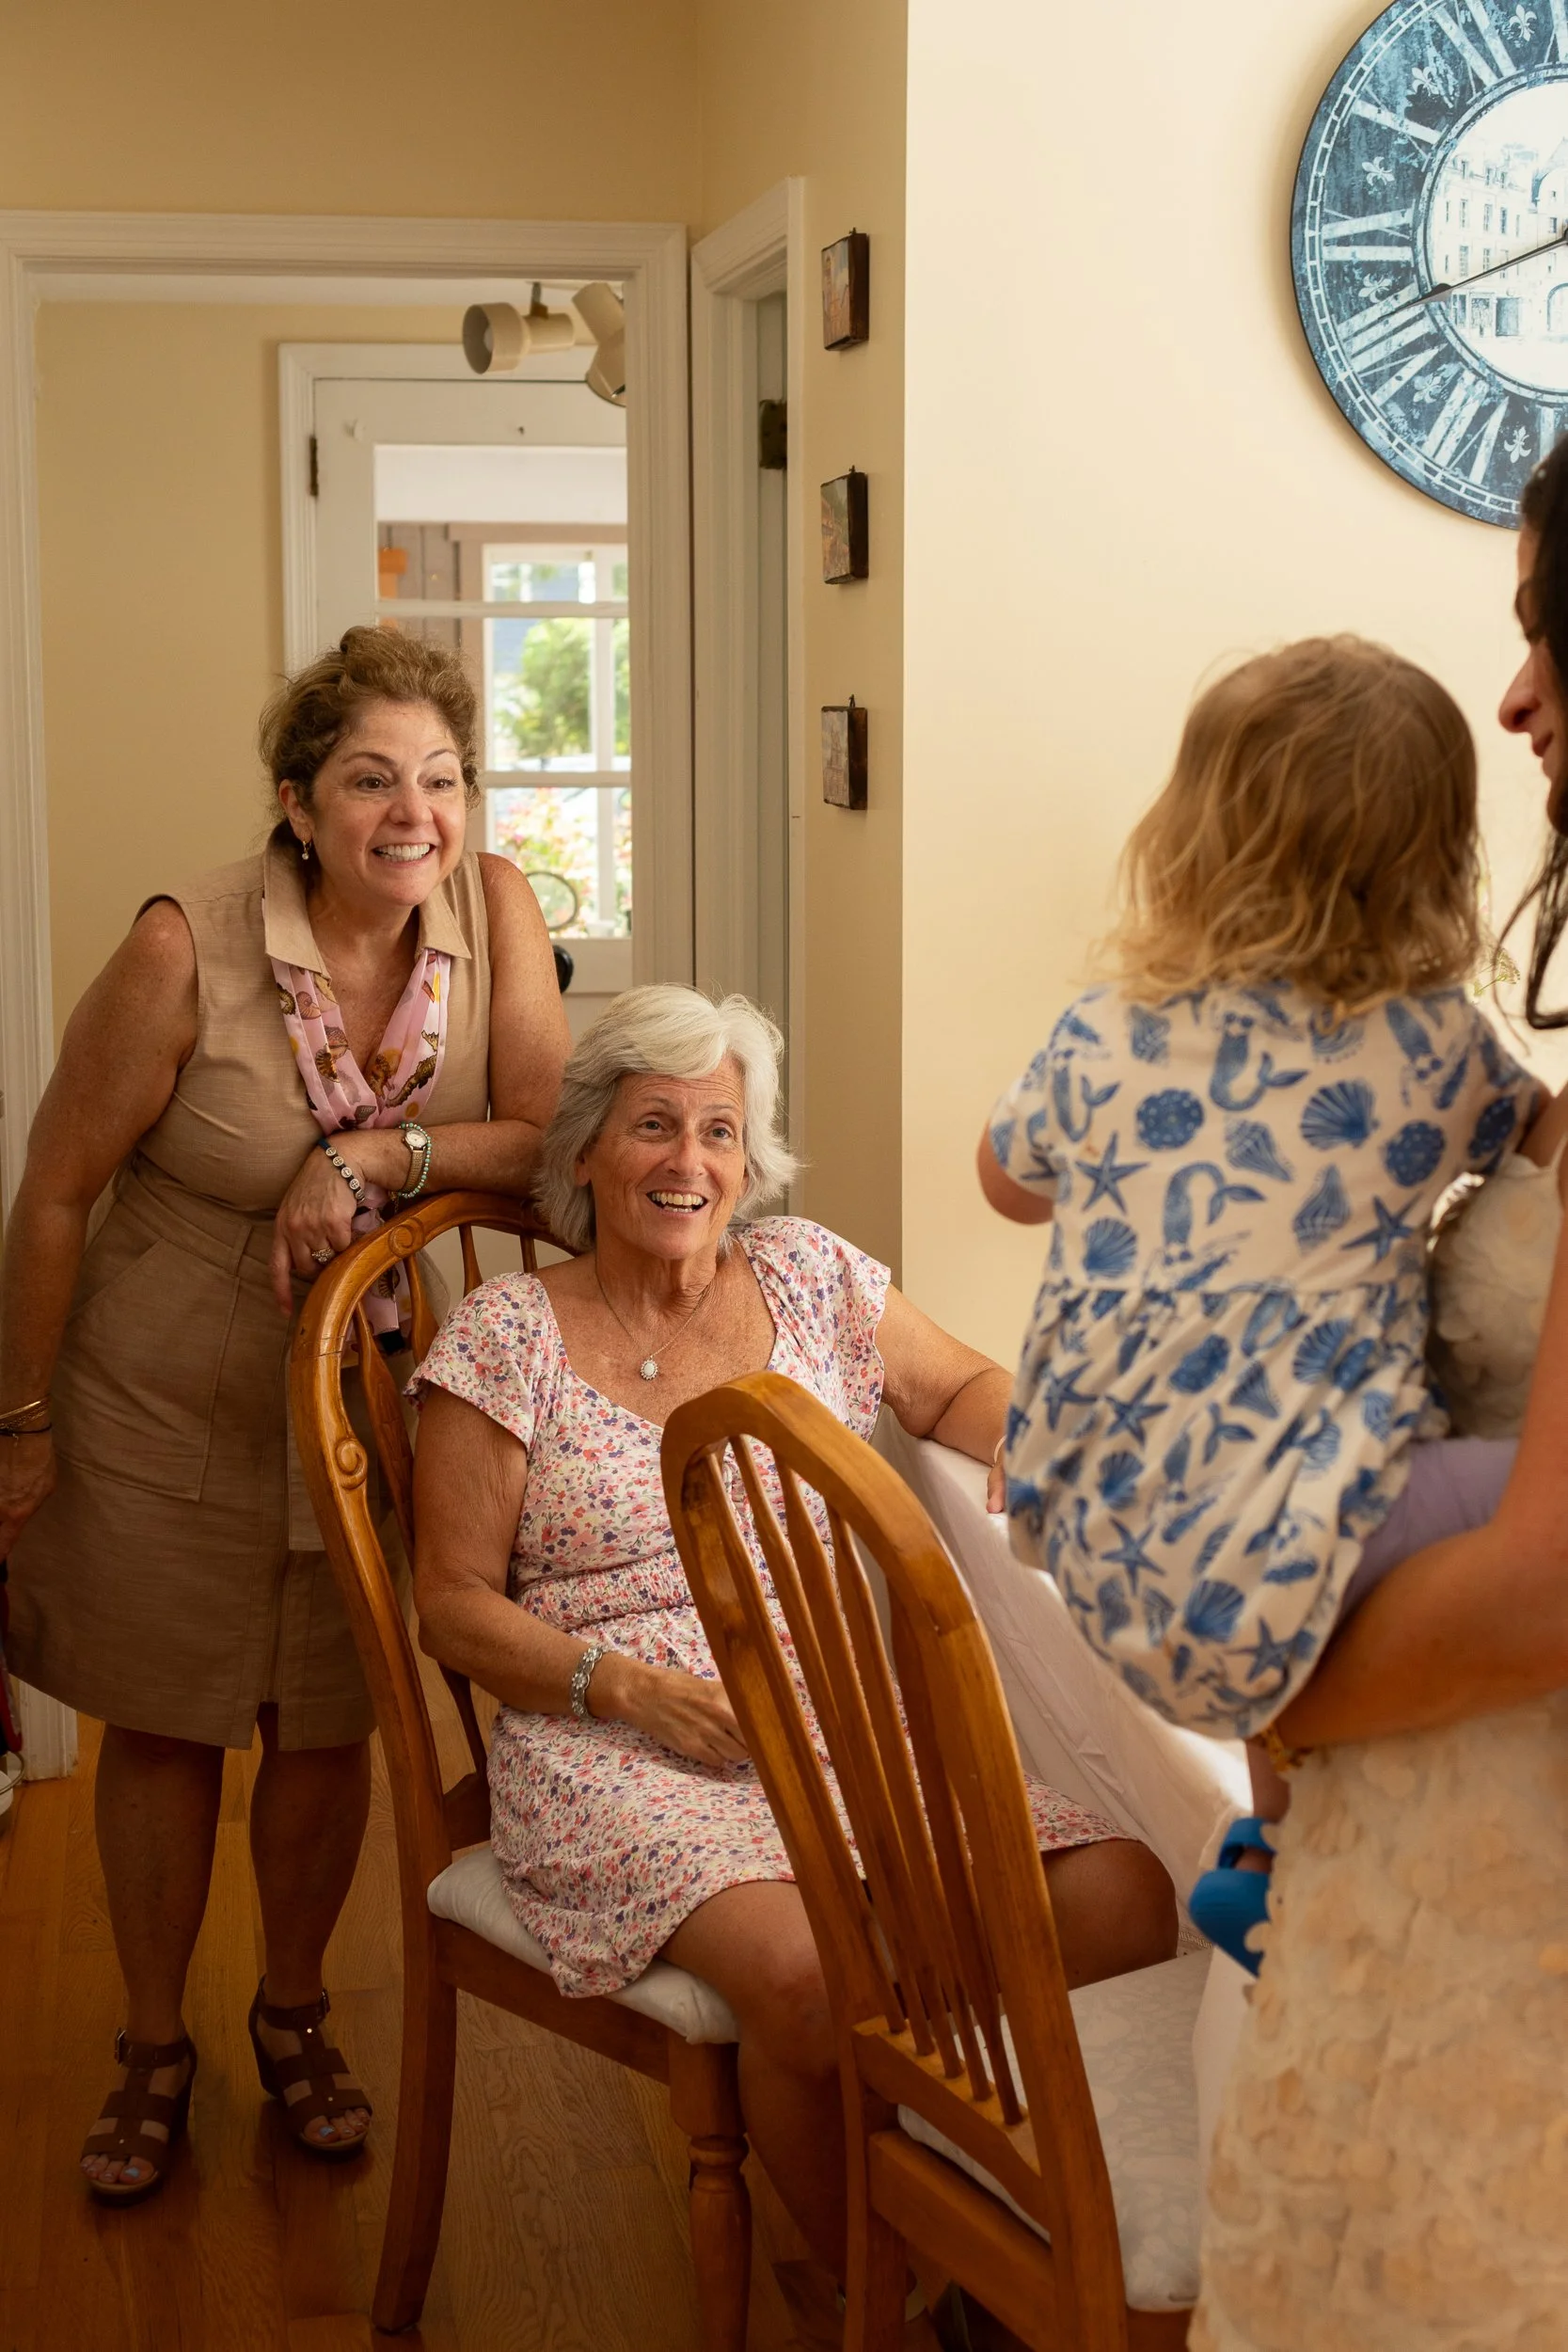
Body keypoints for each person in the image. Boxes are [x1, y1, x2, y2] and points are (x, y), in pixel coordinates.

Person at [409, 983, 1179, 2283]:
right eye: (654, 1126)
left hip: (831, 1716)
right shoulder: (507, 1337)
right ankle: (868, 2291)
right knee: (813, 1977)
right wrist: (627, 1688)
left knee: (1120, 1898)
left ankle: (964, 2211)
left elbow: (960, 1384)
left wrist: (1047, 1442)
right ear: (585, 1150)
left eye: (719, 1130)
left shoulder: (810, 1274)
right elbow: (451, 1603)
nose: (690, 1162)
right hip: (612, 1739)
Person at [0, 628, 569, 2203]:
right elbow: (55, 1192)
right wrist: (20, 1421)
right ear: (297, 804)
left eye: (441, 778)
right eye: (371, 780)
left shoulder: (497, 909)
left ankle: (294, 2013)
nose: (414, 813)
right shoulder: (184, 945)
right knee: (167, 1716)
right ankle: (149, 2043)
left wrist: (375, 1158)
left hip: (370, 1388)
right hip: (161, 1380)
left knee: (325, 1719)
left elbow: (543, 1139)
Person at [975, 636, 1537, 1968]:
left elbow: (1004, 1186)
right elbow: (1533, 1148)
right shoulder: (1439, 1048)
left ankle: (1264, 1845)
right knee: (1502, 1488)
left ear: (1190, 839)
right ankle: (1284, 1849)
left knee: (1259, 1466)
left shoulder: (1103, 1028)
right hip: (1289, 1534)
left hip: (1097, 1526)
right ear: (1435, 863)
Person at [1190, 439, 1568, 2349]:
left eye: (1544, 631)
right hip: (1431, 1818)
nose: (1513, 695)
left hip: (1508, 1860)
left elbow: (1549, 1574)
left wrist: (1258, 1684)